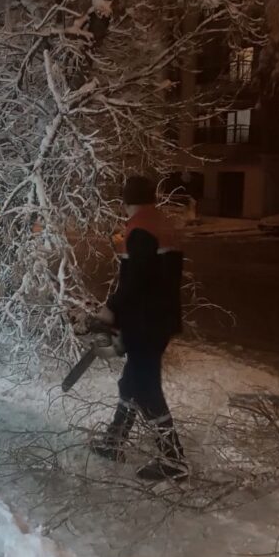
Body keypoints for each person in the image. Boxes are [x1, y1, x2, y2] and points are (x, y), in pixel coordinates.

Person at [92, 175, 188, 481]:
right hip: (159, 320)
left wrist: (111, 308)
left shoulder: (140, 229)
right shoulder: (161, 223)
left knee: (146, 389)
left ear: (125, 201)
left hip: (146, 323)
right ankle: (114, 441)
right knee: (131, 384)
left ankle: (174, 460)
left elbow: (136, 280)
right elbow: (157, 281)